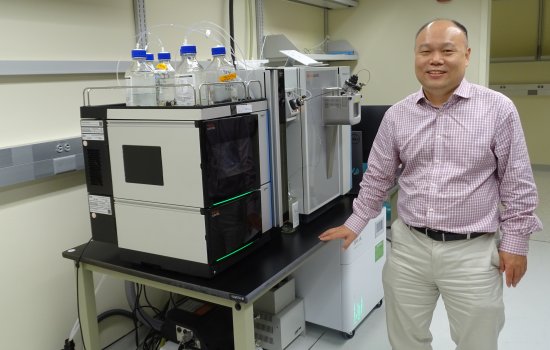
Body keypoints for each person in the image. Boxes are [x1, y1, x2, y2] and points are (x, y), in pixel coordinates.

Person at [319, 19, 543, 350]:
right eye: (425, 51)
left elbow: (518, 185)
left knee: (478, 341)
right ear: (415, 57)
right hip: (410, 247)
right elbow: (378, 178)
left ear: (466, 56)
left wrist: (515, 244)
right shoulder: (397, 115)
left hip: (472, 252)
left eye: (447, 51)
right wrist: (355, 223)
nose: (435, 59)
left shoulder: (498, 110)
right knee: (405, 339)